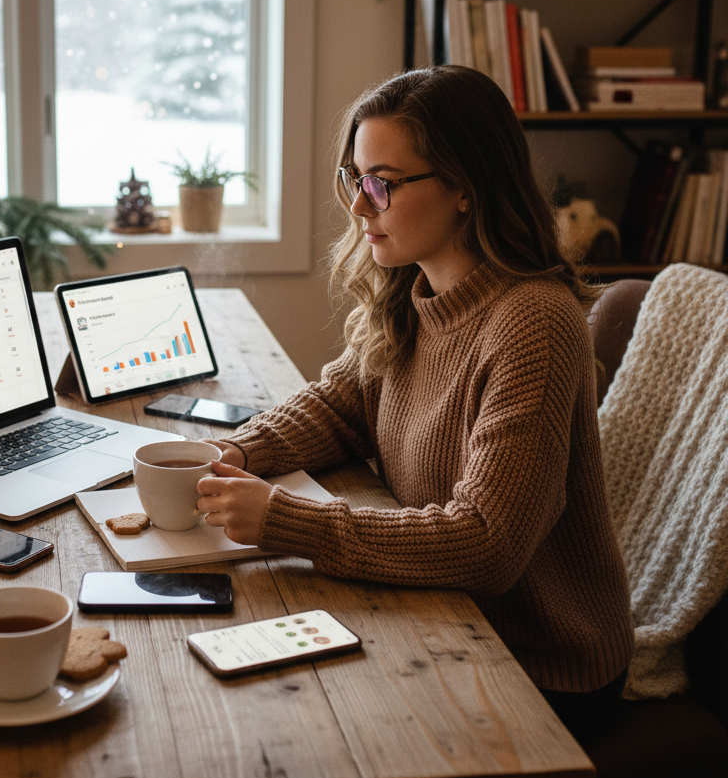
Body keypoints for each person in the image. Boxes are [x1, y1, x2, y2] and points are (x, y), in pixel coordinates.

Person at [198, 65, 633, 729]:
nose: (358, 206)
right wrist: (225, 452)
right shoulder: (410, 293)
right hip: (442, 613)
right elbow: (339, 405)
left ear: (465, 186)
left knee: (294, 727)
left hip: (539, 661)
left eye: (383, 184)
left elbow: (488, 543)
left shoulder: (535, 323)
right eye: (355, 178)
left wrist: (284, 521)